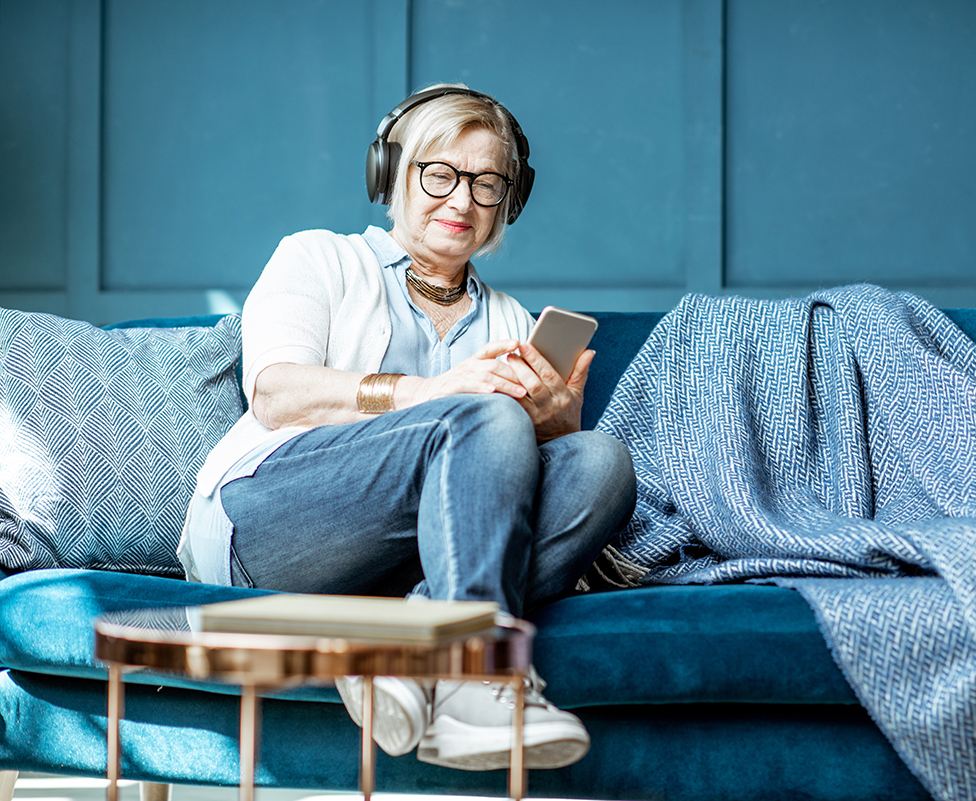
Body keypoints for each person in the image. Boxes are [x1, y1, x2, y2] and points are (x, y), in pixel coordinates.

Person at [177, 84, 637, 771]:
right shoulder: (318, 258)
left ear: (510, 201)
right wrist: (432, 394)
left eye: (487, 183)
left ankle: (406, 641)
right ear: (390, 174)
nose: (462, 201)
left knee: (601, 461)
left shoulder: (510, 319)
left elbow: (497, 488)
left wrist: (553, 426)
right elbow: (275, 393)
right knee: (478, 413)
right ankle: (477, 672)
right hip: (268, 524)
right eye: (441, 173)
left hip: (407, 561)